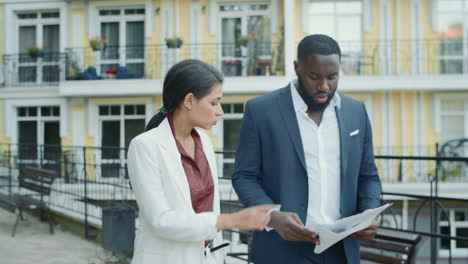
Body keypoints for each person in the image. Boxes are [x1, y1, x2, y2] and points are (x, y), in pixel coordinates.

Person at [232, 34, 382, 264]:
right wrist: (272, 217)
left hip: (342, 251)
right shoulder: (261, 111)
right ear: (297, 68)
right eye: (314, 77)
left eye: (332, 77)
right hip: (281, 250)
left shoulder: (356, 112)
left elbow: (368, 175)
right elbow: (244, 176)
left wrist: (370, 214)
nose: (324, 86)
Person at [127, 59, 275, 264]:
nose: (220, 111)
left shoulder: (204, 141)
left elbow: (208, 207)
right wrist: (229, 221)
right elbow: (160, 220)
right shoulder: (144, 146)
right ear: (189, 101)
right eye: (214, 102)